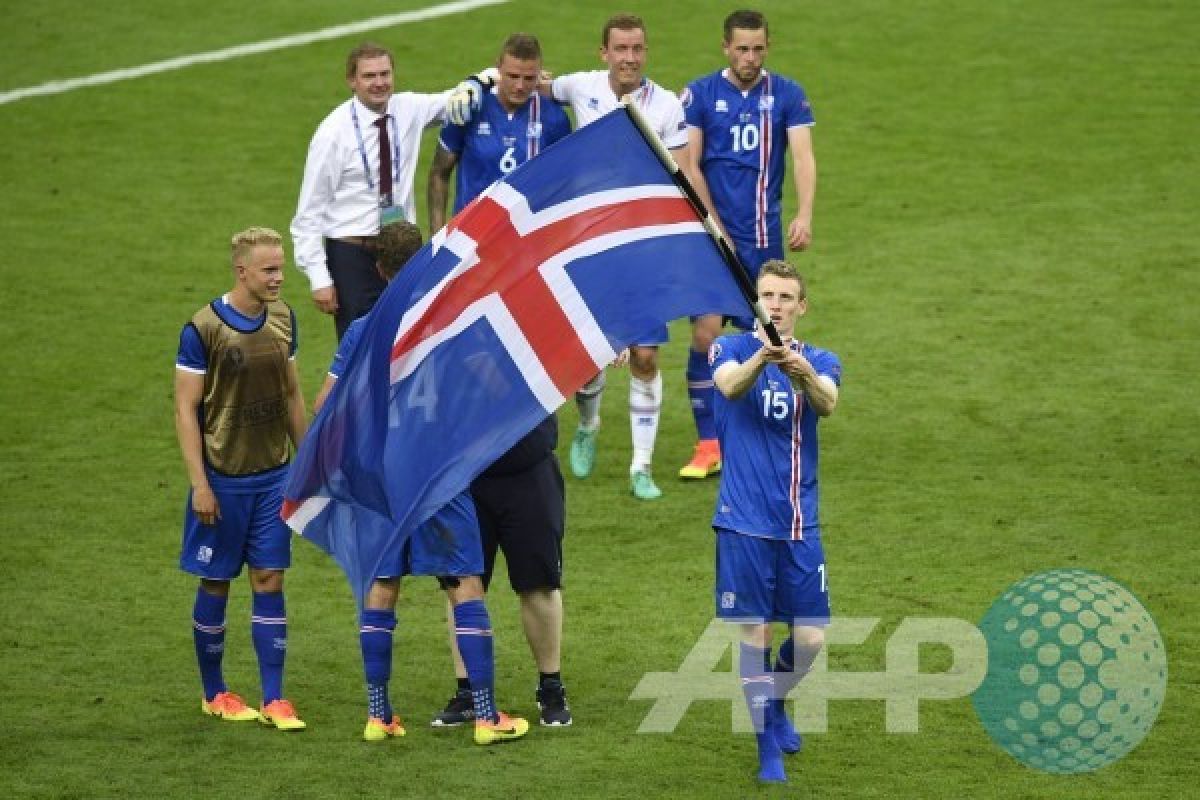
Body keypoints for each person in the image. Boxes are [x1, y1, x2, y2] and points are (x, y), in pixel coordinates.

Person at [313, 220, 530, 746]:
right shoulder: (454, 326)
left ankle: (378, 715)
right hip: (438, 476)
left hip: (385, 479)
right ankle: (484, 717)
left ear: (380, 269)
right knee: (464, 583)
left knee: (382, 586)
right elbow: (497, 391)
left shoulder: (364, 331)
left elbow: (325, 408)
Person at [424, 33, 574, 728]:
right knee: (463, 581)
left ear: (538, 74)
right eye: (508, 75)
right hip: (466, 464)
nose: (515, 85)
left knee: (539, 581)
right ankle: (466, 691)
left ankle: (551, 687)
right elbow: (441, 169)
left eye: (525, 76)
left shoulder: (537, 303)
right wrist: (438, 248)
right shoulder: (451, 306)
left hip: (524, 460)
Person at [546, 13, 689, 500]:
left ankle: (640, 467)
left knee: (646, 356)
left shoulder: (667, 106)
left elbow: (682, 175)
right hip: (592, 244)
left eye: (637, 49)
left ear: (646, 52)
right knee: (589, 360)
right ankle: (588, 425)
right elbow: (533, 85)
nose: (629, 57)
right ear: (603, 52)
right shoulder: (579, 88)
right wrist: (483, 81)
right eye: (620, 49)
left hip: (645, 247)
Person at [708, 260, 840, 783]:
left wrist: (800, 370)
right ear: (755, 303)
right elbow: (729, 388)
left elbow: (828, 402)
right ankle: (768, 753)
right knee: (756, 635)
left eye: (787, 297)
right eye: (768, 296)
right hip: (742, 524)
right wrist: (764, 356)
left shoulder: (822, 358)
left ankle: (776, 703)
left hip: (800, 523)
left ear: (801, 306)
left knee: (809, 641)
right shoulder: (734, 348)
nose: (777, 305)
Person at [174, 226, 309, 731]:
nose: (279, 277)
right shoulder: (203, 328)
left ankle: (274, 698)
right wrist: (200, 485)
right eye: (270, 269)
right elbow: (185, 411)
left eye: (281, 267)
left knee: (270, 577)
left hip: (274, 475)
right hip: (223, 478)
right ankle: (215, 693)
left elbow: (292, 395)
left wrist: (309, 462)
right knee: (217, 580)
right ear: (242, 271)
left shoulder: (284, 319)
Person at [678, 10, 818, 482]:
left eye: (758, 48)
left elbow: (802, 156)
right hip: (716, 243)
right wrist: (716, 230)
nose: (750, 57)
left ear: (767, 47)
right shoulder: (700, 94)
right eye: (742, 48)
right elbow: (691, 166)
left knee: (768, 341)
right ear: (725, 48)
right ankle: (708, 443)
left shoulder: (788, 95)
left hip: (765, 242)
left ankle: (763, 435)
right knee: (705, 336)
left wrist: (804, 213)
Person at [290, 41, 491, 340]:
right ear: (351, 81)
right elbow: (308, 215)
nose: (379, 83)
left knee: (405, 342)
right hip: (353, 254)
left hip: (401, 250)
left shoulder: (408, 108)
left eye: (385, 74)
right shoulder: (332, 134)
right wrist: (319, 277)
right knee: (358, 347)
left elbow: (454, 100)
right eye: (369, 76)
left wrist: (487, 77)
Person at [427, 33, 571, 233]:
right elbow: (439, 174)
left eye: (529, 78)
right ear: (498, 69)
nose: (520, 86)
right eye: (513, 76)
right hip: (470, 239)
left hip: (526, 239)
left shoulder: (554, 118)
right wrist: (437, 239)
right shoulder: (469, 107)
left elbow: (563, 185)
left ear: (540, 73)